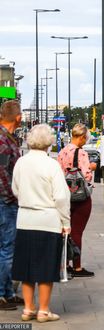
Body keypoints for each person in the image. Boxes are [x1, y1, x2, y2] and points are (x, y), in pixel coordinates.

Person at [11, 124, 71, 323]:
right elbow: (61, 197)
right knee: (46, 268)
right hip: (48, 220)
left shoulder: (21, 162)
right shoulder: (51, 164)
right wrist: (66, 222)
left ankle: (28, 309)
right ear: (49, 143)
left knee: (26, 268)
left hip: (25, 219)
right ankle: (44, 311)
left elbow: (15, 189)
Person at [57, 123, 96, 278]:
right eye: (86, 137)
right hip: (80, 197)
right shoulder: (81, 153)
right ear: (81, 137)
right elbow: (86, 175)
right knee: (77, 232)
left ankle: (65, 264)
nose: (86, 140)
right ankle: (77, 267)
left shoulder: (62, 151)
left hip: (65, 196)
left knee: (66, 231)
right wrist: (92, 167)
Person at [0, 100, 23, 311]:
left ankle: (8, 292)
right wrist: (12, 196)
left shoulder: (8, 138)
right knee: (7, 249)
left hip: (7, 202)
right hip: (5, 203)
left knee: (8, 248)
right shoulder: (3, 141)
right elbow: (2, 175)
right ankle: (1, 294)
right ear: (17, 117)